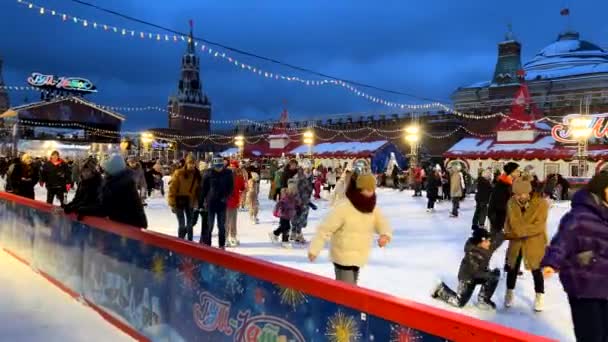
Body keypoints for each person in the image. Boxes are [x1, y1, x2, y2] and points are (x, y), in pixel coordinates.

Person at [541, 172, 608, 342]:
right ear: (602, 190)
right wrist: (551, 262)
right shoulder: (580, 215)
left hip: (605, 284)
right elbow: (563, 240)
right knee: (591, 335)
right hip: (584, 282)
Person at [308, 173, 392, 285]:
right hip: (342, 255)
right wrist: (314, 249)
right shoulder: (344, 207)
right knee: (347, 292)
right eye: (367, 189)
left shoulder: (371, 207)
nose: (370, 192)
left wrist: (385, 235)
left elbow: (382, 222)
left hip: (358, 256)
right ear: (359, 189)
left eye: (372, 189)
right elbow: (325, 229)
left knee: (351, 290)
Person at [503, 176, 549, 312]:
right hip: (516, 242)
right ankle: (509, 292)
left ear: (529, 192)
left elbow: (539, 226)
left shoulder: (541, 204)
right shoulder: (511, 203)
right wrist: (510, 232)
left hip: (535, 242)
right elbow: (508, 223)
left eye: (522, 194)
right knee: (512, 268)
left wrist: (520, 231)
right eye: (516, 194)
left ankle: (539, 295)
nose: (519, 197)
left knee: (536, 270)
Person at [432, 227, 500, 309]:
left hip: (480, 274)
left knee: (495, 275)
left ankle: (484, 300)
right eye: (487, 241)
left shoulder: (486, 247)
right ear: (480, 243)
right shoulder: (473, 253)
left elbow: (498, 240)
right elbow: (476, 273)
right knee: (459, 303)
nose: (489, 243)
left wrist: (506, 233)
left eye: (489, 240)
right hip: (468, 279)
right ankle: (440, 289)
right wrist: (488, 274)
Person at [78, 154, 148, 228]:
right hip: (129, 224)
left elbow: (105, 208)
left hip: (130, 226)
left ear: (112, 170)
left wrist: (84, 209)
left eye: (106, 169)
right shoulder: (121, 181)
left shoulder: (119, 184)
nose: (104, 171)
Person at [199, 157, 234, 249]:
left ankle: (221, 245)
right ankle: (208, 245)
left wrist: (226, 197)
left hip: (222, 203)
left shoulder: (228, 173)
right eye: (217, 167)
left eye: (220, 166)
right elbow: (203, 189)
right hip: (210, 203)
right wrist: (201, 203)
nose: (219, 168)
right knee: (209, 226)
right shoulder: (208, 173)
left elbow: (230, 188)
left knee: (221, 226)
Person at [168, 155, 201, 241]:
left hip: (190, 202)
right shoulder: (179, 173)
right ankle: (181, 242)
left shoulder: (197, 175)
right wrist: (172, 203)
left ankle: (190, 242)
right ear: (186, 163)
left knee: (190, 224)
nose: (191, 165)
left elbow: (199, 190)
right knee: (181, 224)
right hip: (179, 201)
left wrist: (197, 202)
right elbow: (172, 188)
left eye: (193, 163)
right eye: (190, 163)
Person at [487, 162, 520, 248]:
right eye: (516, 171)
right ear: (511, 172)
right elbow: (501, 205)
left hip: (500, 218)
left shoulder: (507, 183)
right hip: (497, 218)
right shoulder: (503, 185)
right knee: (493, 243)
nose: (518, 173)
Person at [270, 182, 299, 249]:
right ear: (291, 190)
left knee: (283, 227)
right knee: (287, 228)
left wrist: (298, 208)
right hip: (283, 215)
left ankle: (274, 234)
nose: (295, 192)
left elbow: (296, 204)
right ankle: (285, 241)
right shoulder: (286, 197)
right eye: (294, 190)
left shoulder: (294, 198)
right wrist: (276, 211)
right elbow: (279, 204)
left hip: (289, 215)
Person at [291, 167, 314, 244]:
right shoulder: (299, 178)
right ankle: (298, 234)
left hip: (305, 201)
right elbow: (296, 190)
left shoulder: (309, 177)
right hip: (299, 201)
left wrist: (309, 202)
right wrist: (299, 200)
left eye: (309, 169)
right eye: (307, 169)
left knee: (299, 217)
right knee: (300, 217)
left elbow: (308, 191)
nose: (308, 171)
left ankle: (294, 233)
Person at [226, 160, 246, 247]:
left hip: (234, 202)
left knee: (232, 221)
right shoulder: (225, 176)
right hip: (226, 201)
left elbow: (242, 188)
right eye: (231, 166)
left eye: (234, 167)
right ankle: (226, 238)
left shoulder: (239, 177)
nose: (232, 168)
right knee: (226, 221)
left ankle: (232, 237)